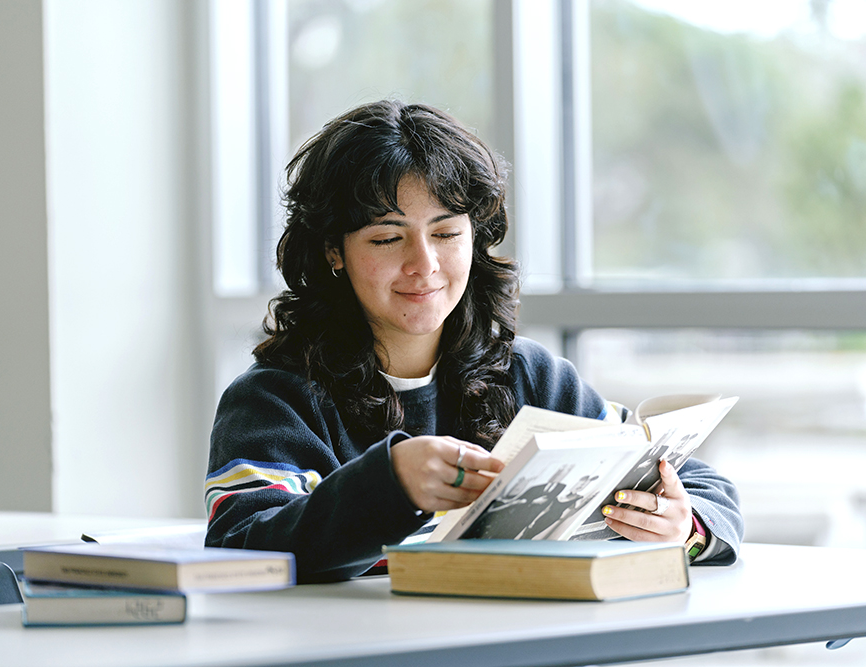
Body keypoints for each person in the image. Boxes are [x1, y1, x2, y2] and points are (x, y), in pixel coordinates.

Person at [204, 100, 743, 584]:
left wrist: (683, 525)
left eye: (446, 233)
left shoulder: (530, 377)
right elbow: (243, 542)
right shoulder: (275, 400)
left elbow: (700, 483)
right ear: (332, 252)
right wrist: (391, 484)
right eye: (388, 238)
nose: (425, 265)